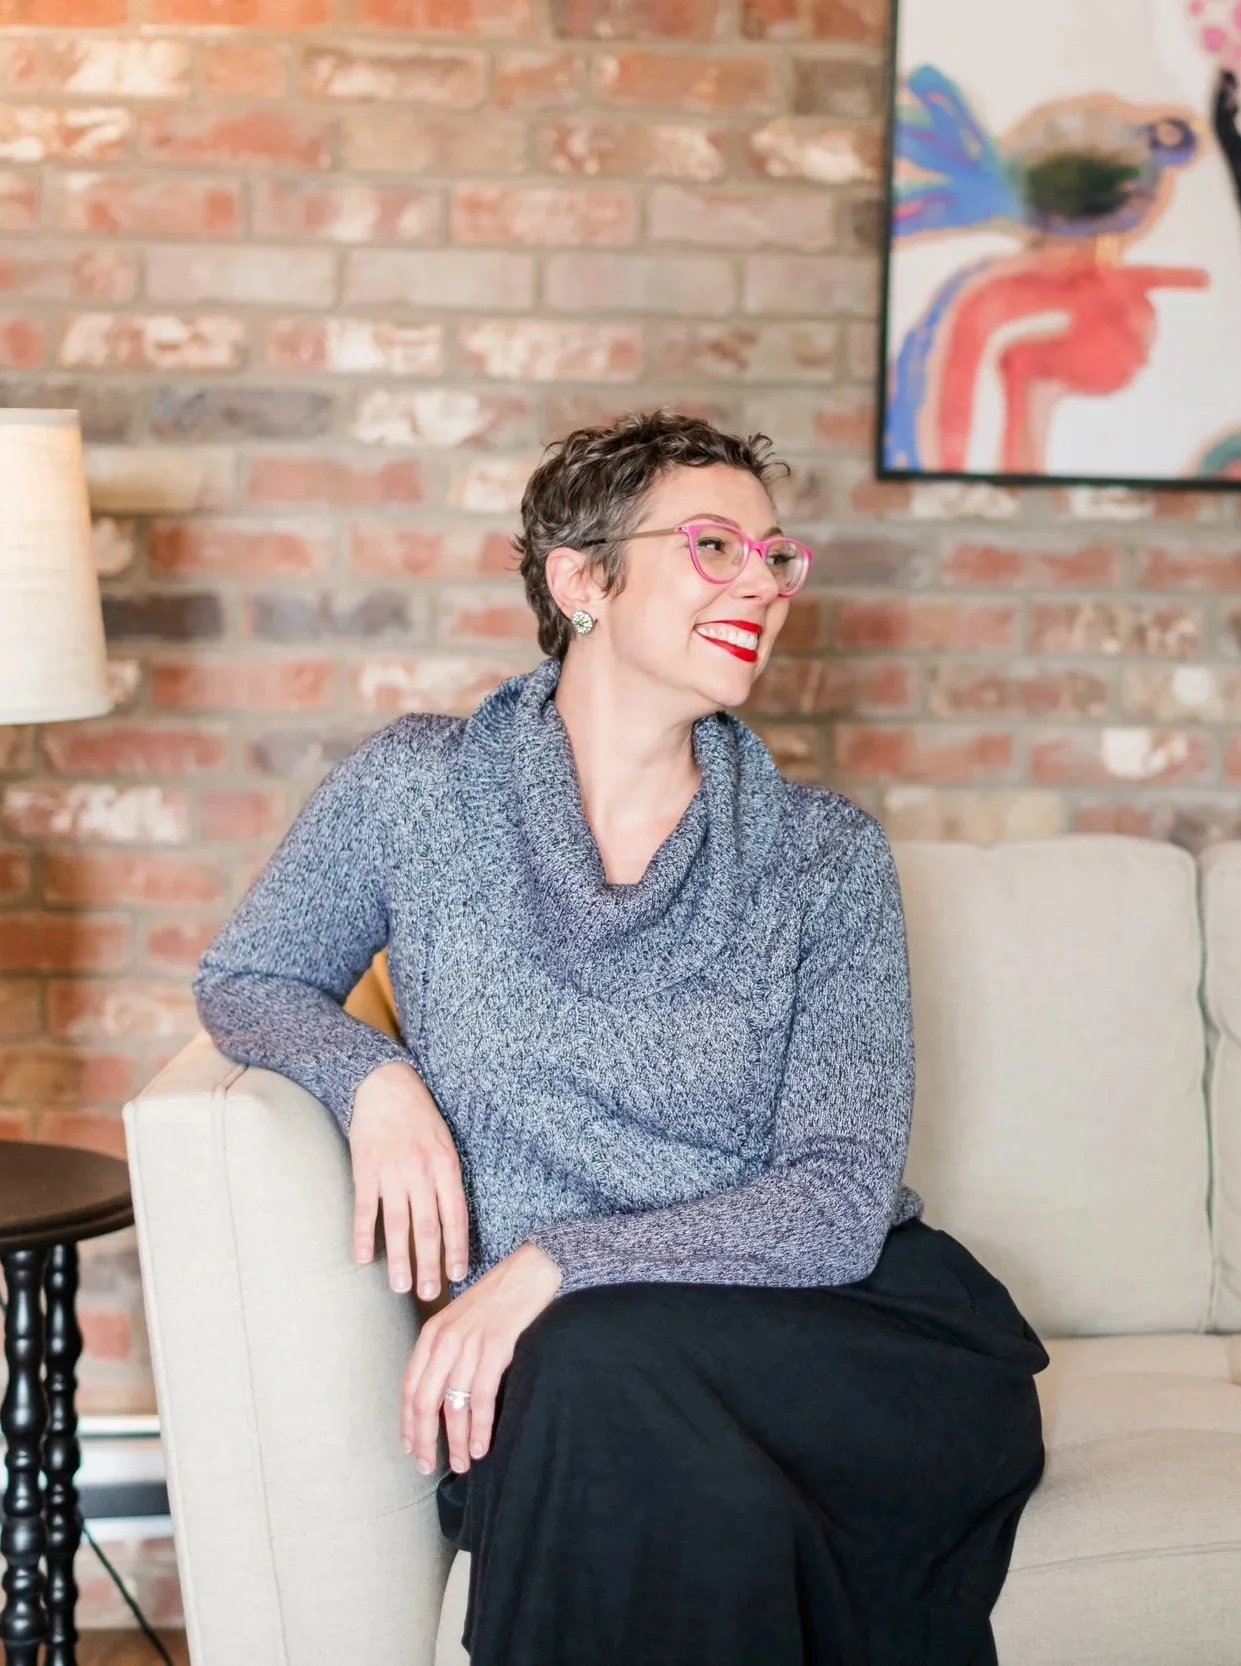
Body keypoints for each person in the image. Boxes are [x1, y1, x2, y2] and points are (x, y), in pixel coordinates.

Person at [192, 408, 1050, 1665]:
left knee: (584, 1365)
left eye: (774, 555)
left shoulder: (822, 857)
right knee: (593, 1388)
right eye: (713, 547)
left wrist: (549, 1262)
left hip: (849, 1341)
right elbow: (248, 974)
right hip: (588, 1377)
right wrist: (372, 1076)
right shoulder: (417, 793)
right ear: (580, 581)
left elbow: (834, 1201)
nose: (762, 583)